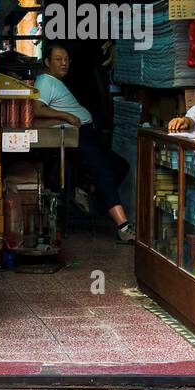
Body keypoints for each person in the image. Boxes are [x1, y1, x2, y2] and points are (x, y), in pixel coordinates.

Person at [33, 42, 134, 242]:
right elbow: (37, 110)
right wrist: (66, 117)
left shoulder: (55, 82)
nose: (64, 64)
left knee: (120, 166)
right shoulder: (45, 81)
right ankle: (123, 227)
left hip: (84, 133)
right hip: (77, 136)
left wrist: (65, 117)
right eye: (58, 59)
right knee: (103, 171)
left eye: (66, 60)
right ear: (46, 62)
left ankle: (84, 189)